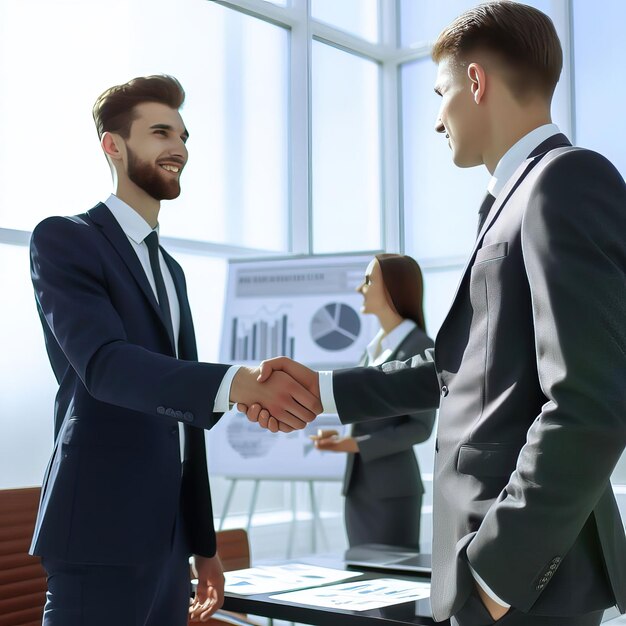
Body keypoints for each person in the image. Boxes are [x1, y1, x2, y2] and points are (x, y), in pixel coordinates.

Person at [240, 3, 626, 625]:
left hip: (524, 579)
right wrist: (323, 388)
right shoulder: (507, 200)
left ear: (476, 83)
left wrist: (499, 571)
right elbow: (453, 369)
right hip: (491, 575)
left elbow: (592, 402)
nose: (435, 119)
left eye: (441, 91)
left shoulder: (564, 180)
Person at [29, 74, 320, 626]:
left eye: (184, 135)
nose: (179, 148)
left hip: (168, 544)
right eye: (160, 132)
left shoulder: (172, 271)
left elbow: (183, 423)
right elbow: (105, 366)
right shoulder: (64, 239)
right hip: (99, 531)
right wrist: (239, 383)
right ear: (112, 146)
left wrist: (202, 544)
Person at [311, 254, 435, 550]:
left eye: (368, 280)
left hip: (392, 491)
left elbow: (419, 428)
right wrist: (343, 438)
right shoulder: (374, 348)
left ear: (392, 287)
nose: (360, 289)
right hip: (359, 487)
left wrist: (354, 445)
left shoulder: (422, 349)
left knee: (392, 582)